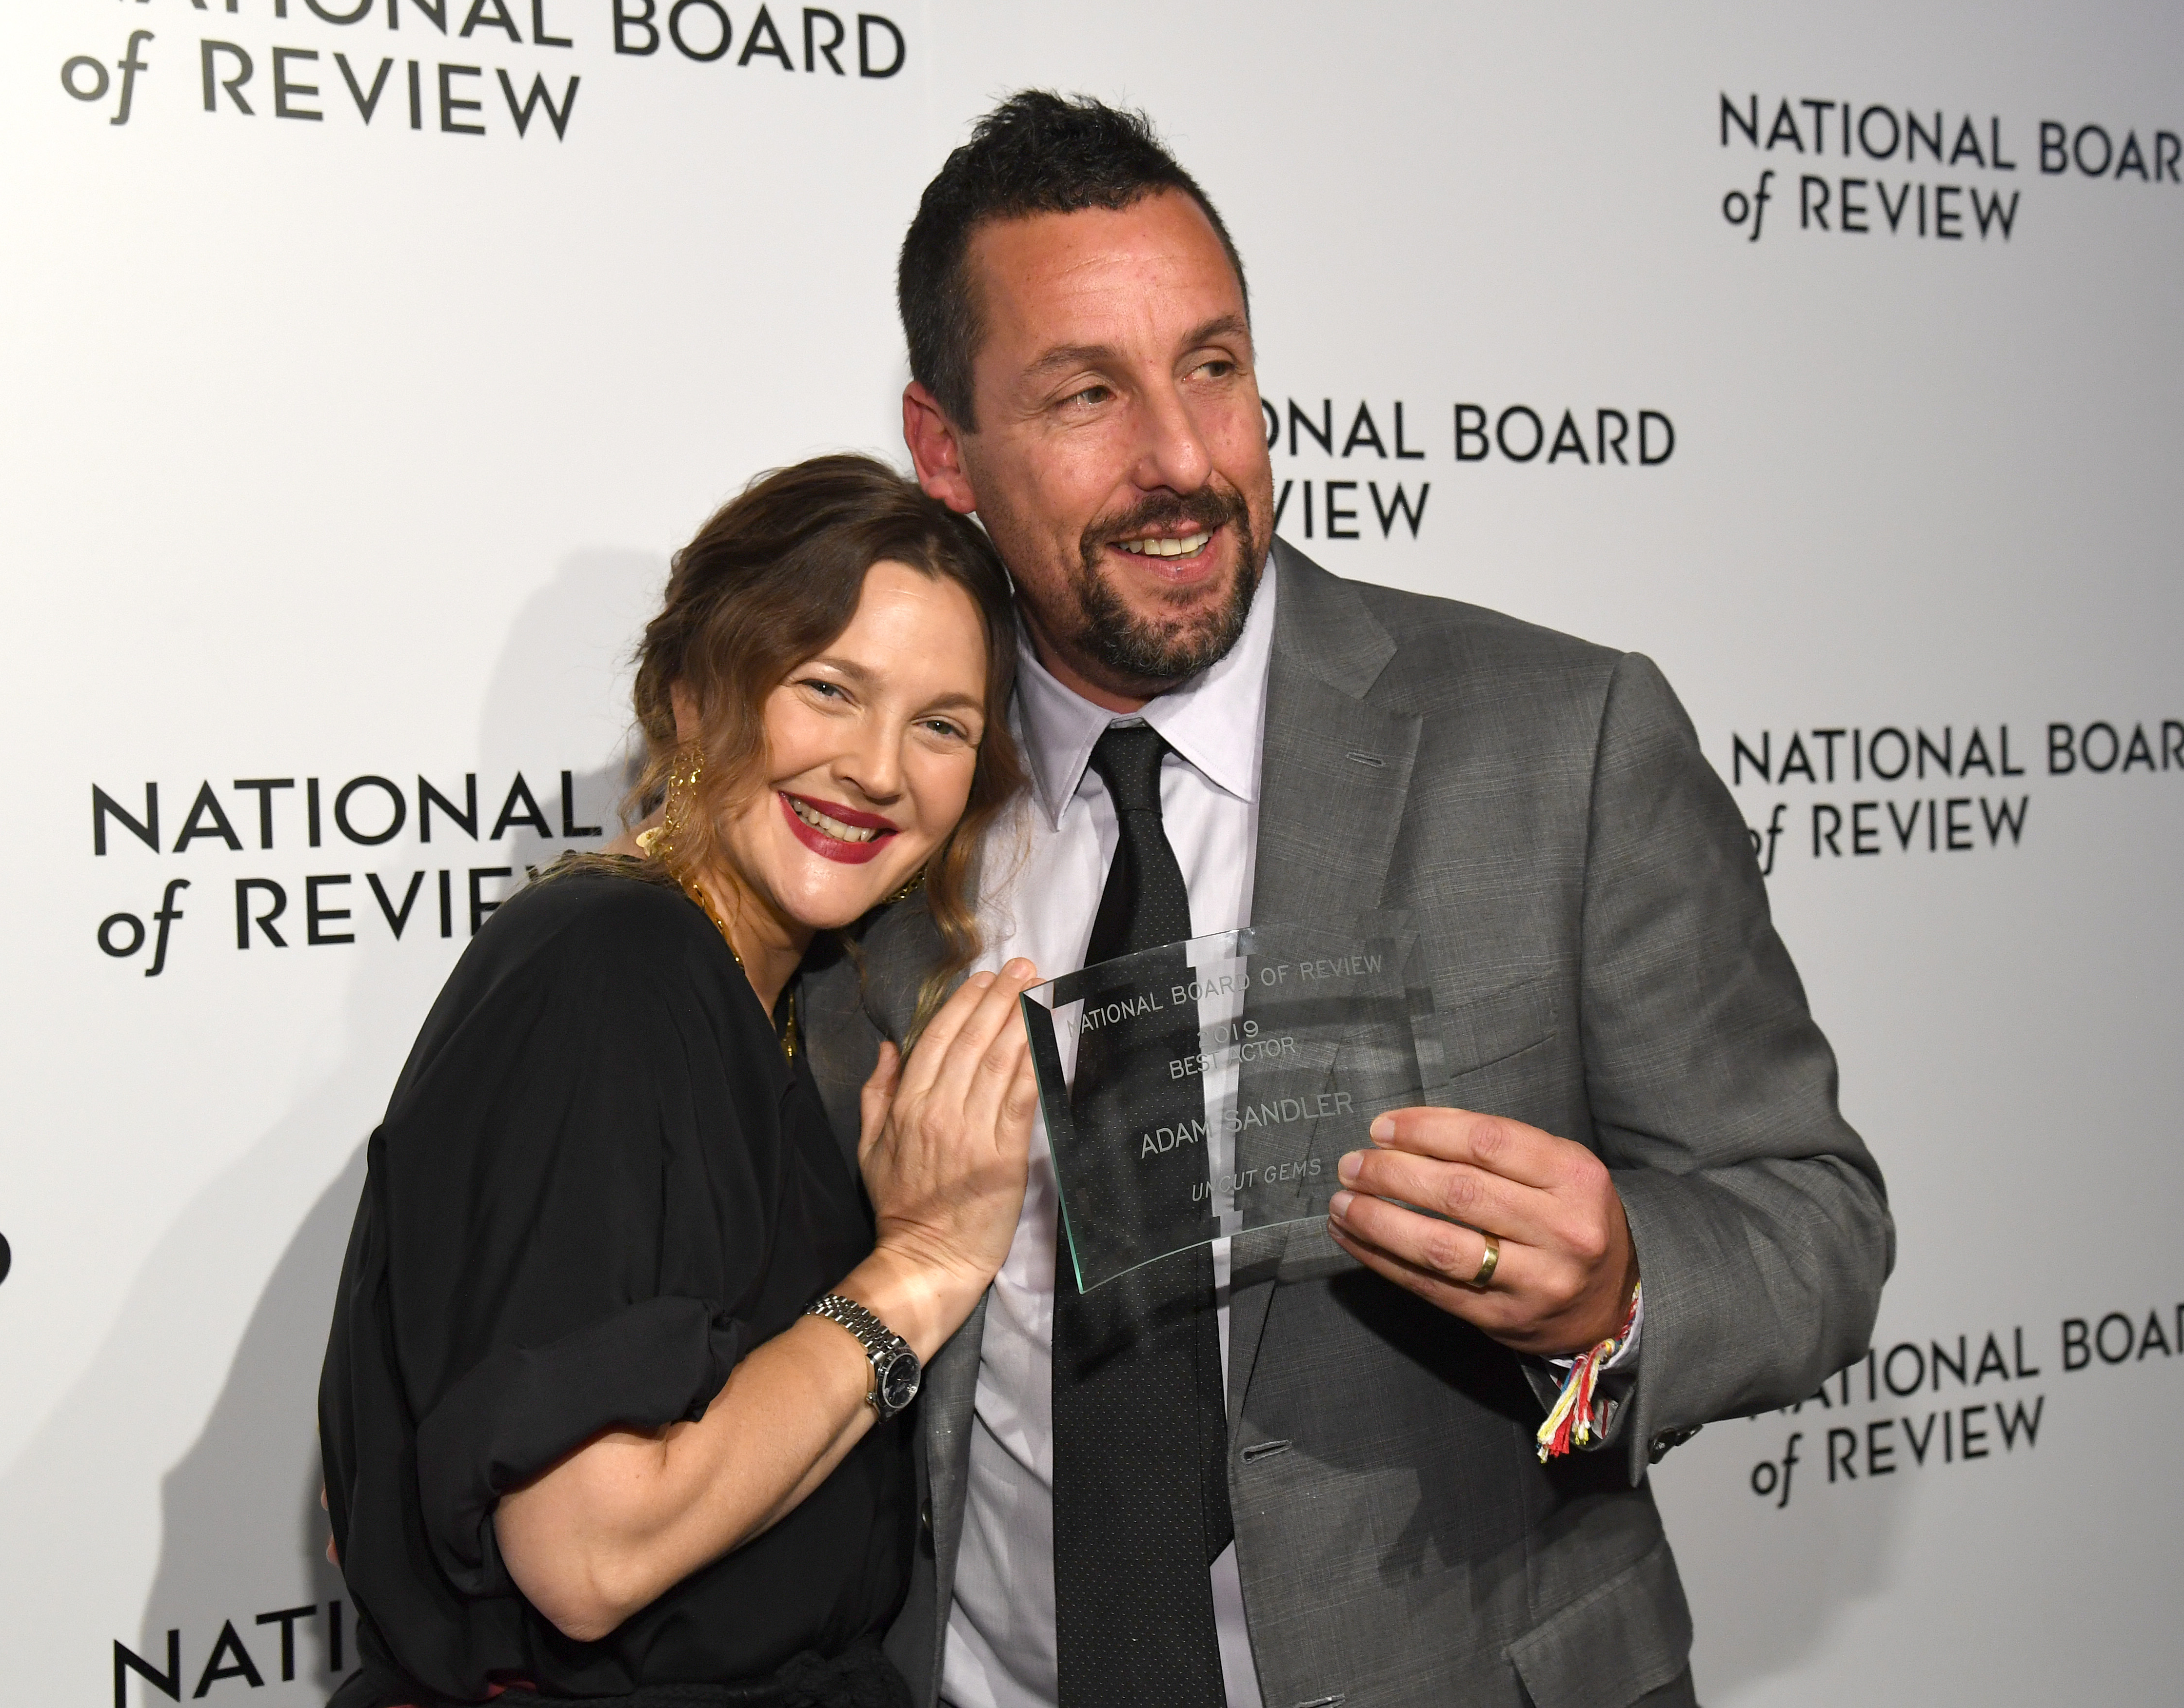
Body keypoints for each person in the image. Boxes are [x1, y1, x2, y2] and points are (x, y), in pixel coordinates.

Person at [796, 96, 1895, 1708]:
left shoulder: (1559, 742)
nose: (1180, 460)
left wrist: (1615, 1291)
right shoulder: (879, 808)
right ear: (943, 447)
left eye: (1213, 367)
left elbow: (1813, 1222)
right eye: (1086, 393)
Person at [318, 454, 1046, 1708]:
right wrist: (917, 1269)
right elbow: (586, 1553)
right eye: (828, 689)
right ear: (694, 699)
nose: (879, 770)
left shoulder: (772, 1002)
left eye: (940, 726)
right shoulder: (612, 969)